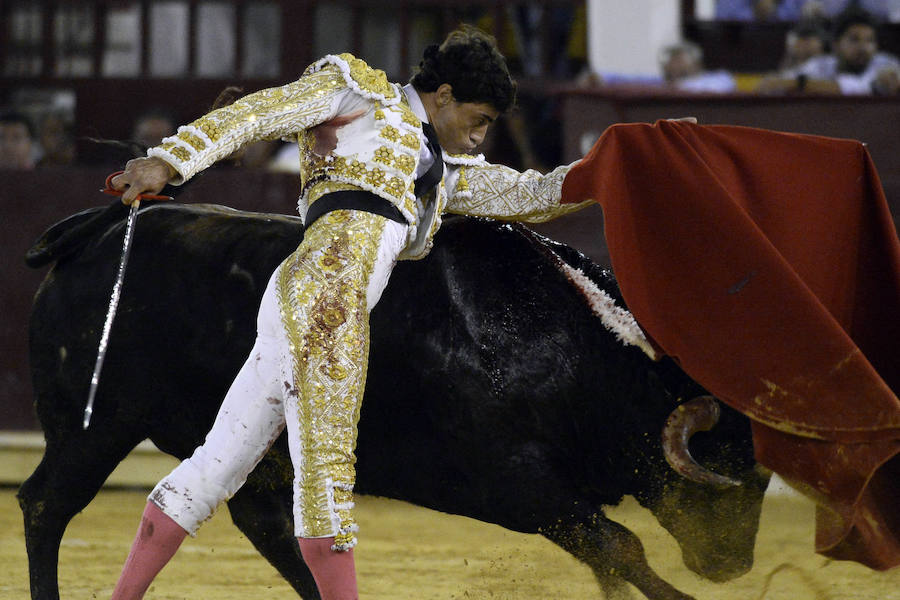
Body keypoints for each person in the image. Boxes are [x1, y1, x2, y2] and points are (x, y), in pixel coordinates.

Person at [108, 25, 594, 600]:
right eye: (479, 118)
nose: (481, 136)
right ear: (442, 96)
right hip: (325, 303)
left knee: (216, 466)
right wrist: (168, 161)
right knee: (326, 482)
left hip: (312, 301)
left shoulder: (442, 173)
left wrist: (627, 159)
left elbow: (535, 194)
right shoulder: (356, 94)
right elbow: (259, 114)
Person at [757, 7, 900, 93]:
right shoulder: (822, 63)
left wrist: (799, 83)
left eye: (870, 40)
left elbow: (855, 89)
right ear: (836, 45)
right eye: (854, 39)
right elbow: (781, 81)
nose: (864, 47)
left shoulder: (886, 64)